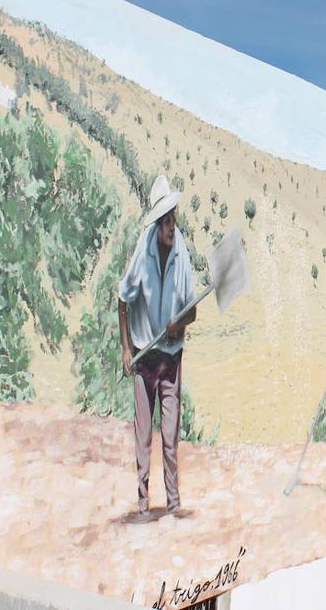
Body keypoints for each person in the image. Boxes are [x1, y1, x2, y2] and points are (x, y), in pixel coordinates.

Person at [118, 175, 198, 518]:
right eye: (165, 221)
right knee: (143, 438)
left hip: (171, 360)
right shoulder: (144, 250)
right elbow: (123, 300)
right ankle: (141, 503)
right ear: (157, 223)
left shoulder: (182, 254)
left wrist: (177, 324)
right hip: (143, 357)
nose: (170, 227)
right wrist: (125, 349)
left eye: (173, 219)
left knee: (169, 437)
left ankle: (174, 504)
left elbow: (193, 309)